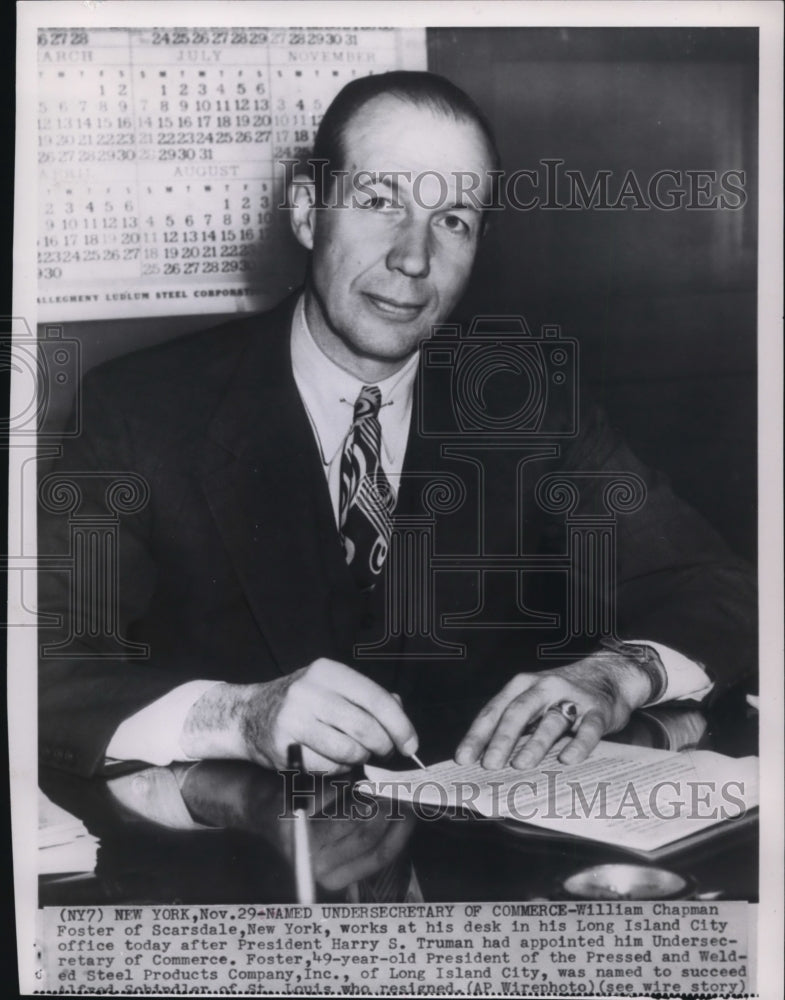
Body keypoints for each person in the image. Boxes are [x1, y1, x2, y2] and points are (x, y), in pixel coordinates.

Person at [38, 71, 756, 779]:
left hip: (473, 862)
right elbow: (40, 659)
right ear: (304, 211)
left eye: (452, 220)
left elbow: (716, 586)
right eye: (380, 200)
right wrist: (235, 715)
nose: (414, 257)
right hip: (240, 859)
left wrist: (614, 674)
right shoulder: (142, 410)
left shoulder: (526, 403)